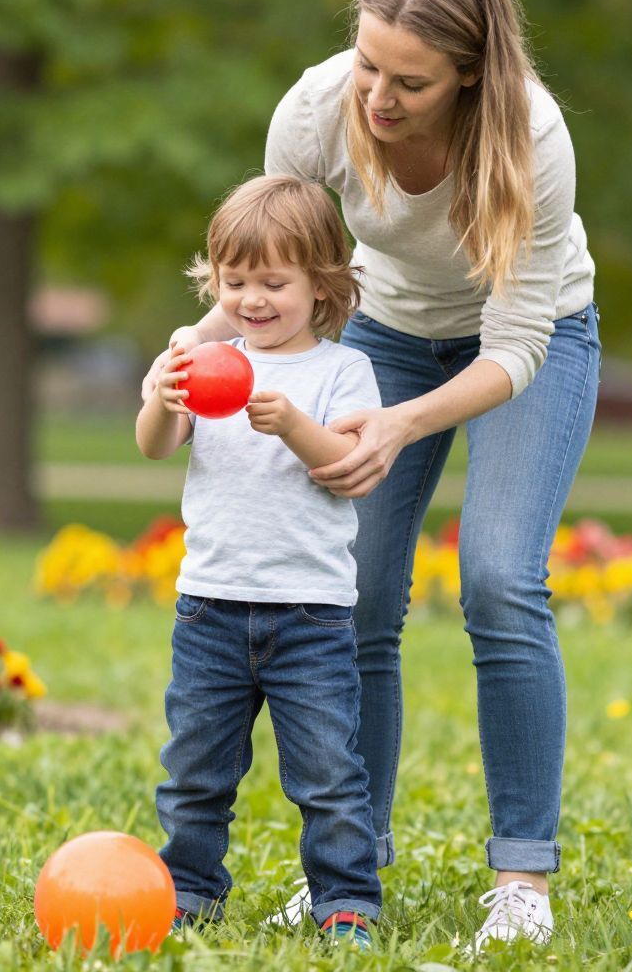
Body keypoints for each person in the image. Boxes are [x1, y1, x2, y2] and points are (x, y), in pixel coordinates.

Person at [144, 0, 599, 950]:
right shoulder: (315, 112)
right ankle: (351, 869)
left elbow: (515, 342)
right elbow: (272, 270)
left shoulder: (532, 137)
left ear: (468, 73)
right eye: (367, 65)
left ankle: (521, 879)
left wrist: (401, 423)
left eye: (410, 82)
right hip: (385, 330)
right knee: (351, 592)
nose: (378, 98)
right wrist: (186, 349)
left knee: (499, 579)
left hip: (529, 339)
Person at [137, 175, 384, 948]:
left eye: (274, 283)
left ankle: (345, 902)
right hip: (209, 608)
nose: (252, 299)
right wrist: (162, 398)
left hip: (310, 613)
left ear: (322, 285)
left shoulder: (341, 371)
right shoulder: (207, 360)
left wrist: (292, 426)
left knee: (328, 774)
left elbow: (343, 463)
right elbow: (153, 447)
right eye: (235, 281)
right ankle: (188, 890)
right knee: (195, 769)